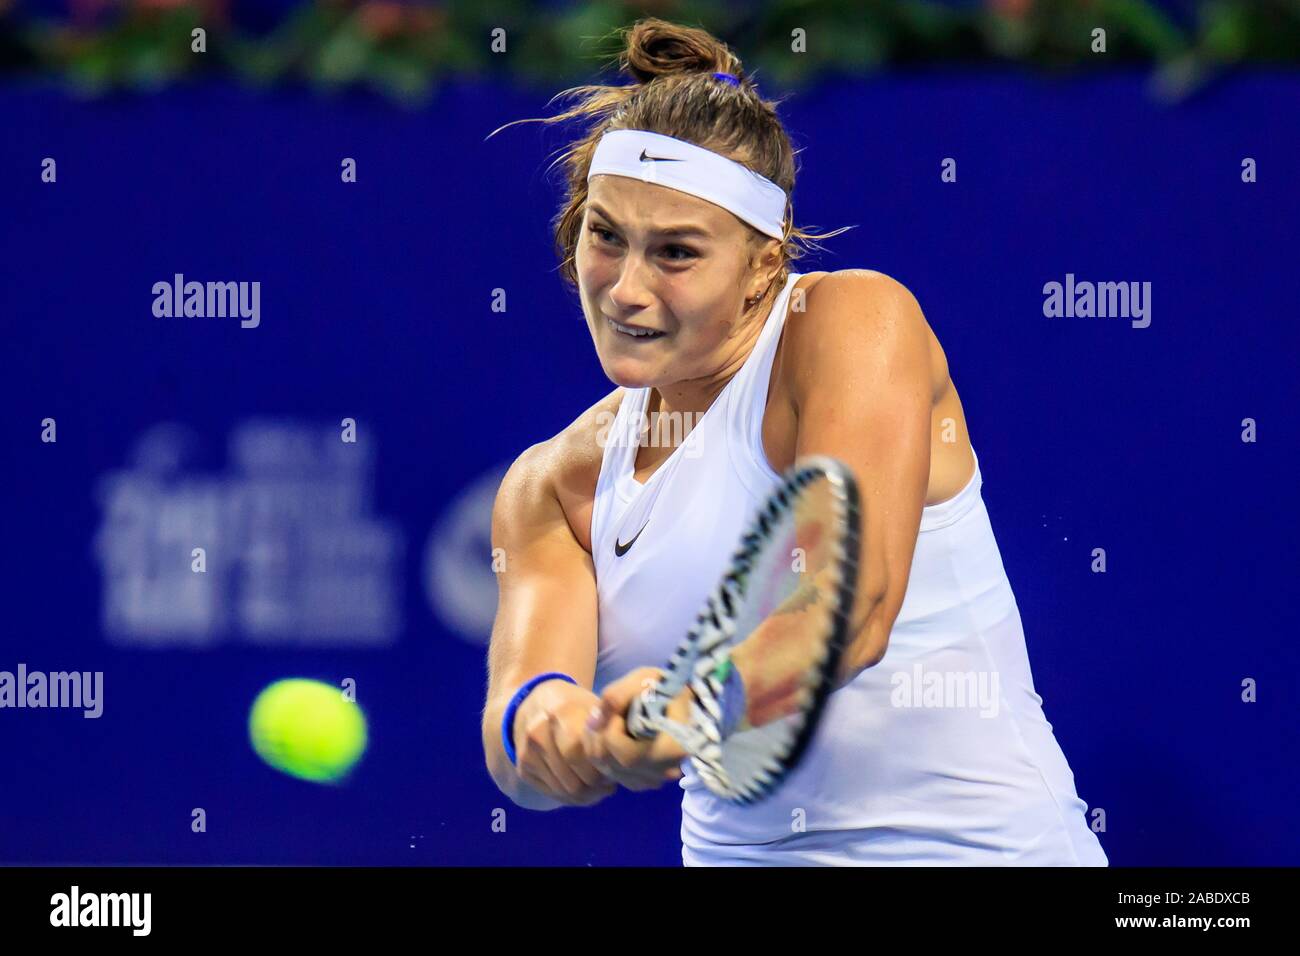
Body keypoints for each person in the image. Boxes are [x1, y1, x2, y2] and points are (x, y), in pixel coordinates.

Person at [481, 17, 1107, 866]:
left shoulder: (852, 321)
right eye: (606, 236)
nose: (626, 289)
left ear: (764, 266)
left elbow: (852, 607)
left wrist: (693, 703)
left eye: (676, 253)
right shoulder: (550, 486)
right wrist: (560, 731)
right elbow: (515, 731)